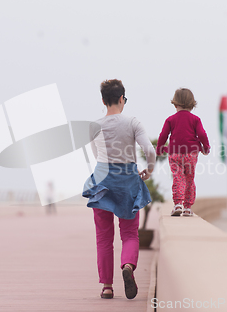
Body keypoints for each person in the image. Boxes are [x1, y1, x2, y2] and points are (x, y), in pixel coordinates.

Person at [82, 79, 156, 300]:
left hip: (103, 180)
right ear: (122, 98)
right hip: (128, 181)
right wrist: (149, 169)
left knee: (103, 237)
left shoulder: (94, 126)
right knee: (130, 233)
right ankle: (128, 266)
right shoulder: (133, 122)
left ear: (103, 101)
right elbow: (149, 151)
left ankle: (106, 286)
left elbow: (97, 156)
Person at [156, 88, 210, 217]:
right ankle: (187, 207)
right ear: (192, 104)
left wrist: (159, 149)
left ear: (175, 104)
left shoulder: (170, 120)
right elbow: (202, 134)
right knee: (189, 179)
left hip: (174, 153)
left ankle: (178, 203)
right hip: (191, 153)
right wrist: (206, 147)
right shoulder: (195, 119)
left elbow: (163, 135)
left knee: (178, 177)